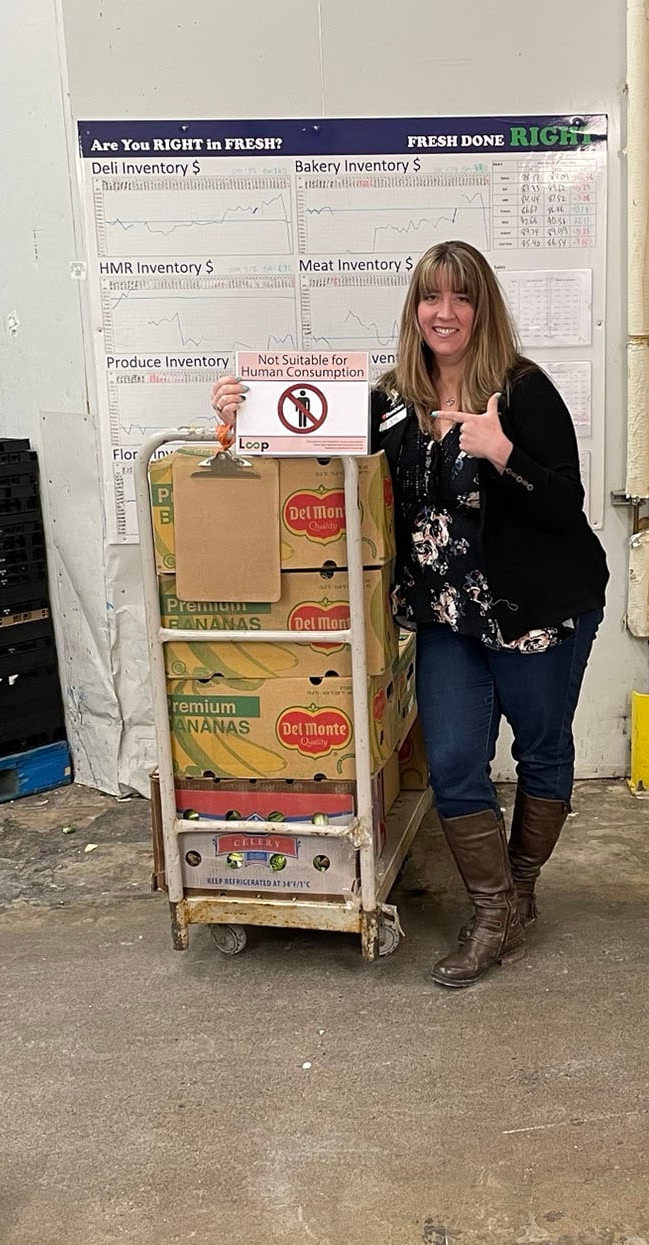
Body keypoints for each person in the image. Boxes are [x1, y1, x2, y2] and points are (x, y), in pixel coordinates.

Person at [211, 240, 608, 988]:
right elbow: (298, 434)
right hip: (448, 616)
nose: (446, 312)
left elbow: (565, 504)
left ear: (481, 307)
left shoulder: (523, 391)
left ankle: (520, 893)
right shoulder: (390, 402)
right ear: (415, 308)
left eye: (462, 297)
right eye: (433, 297)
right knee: (455, 760)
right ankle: (492, 915)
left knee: (542, 747)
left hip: (537, 611)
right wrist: (240, 412)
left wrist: (502, 454)